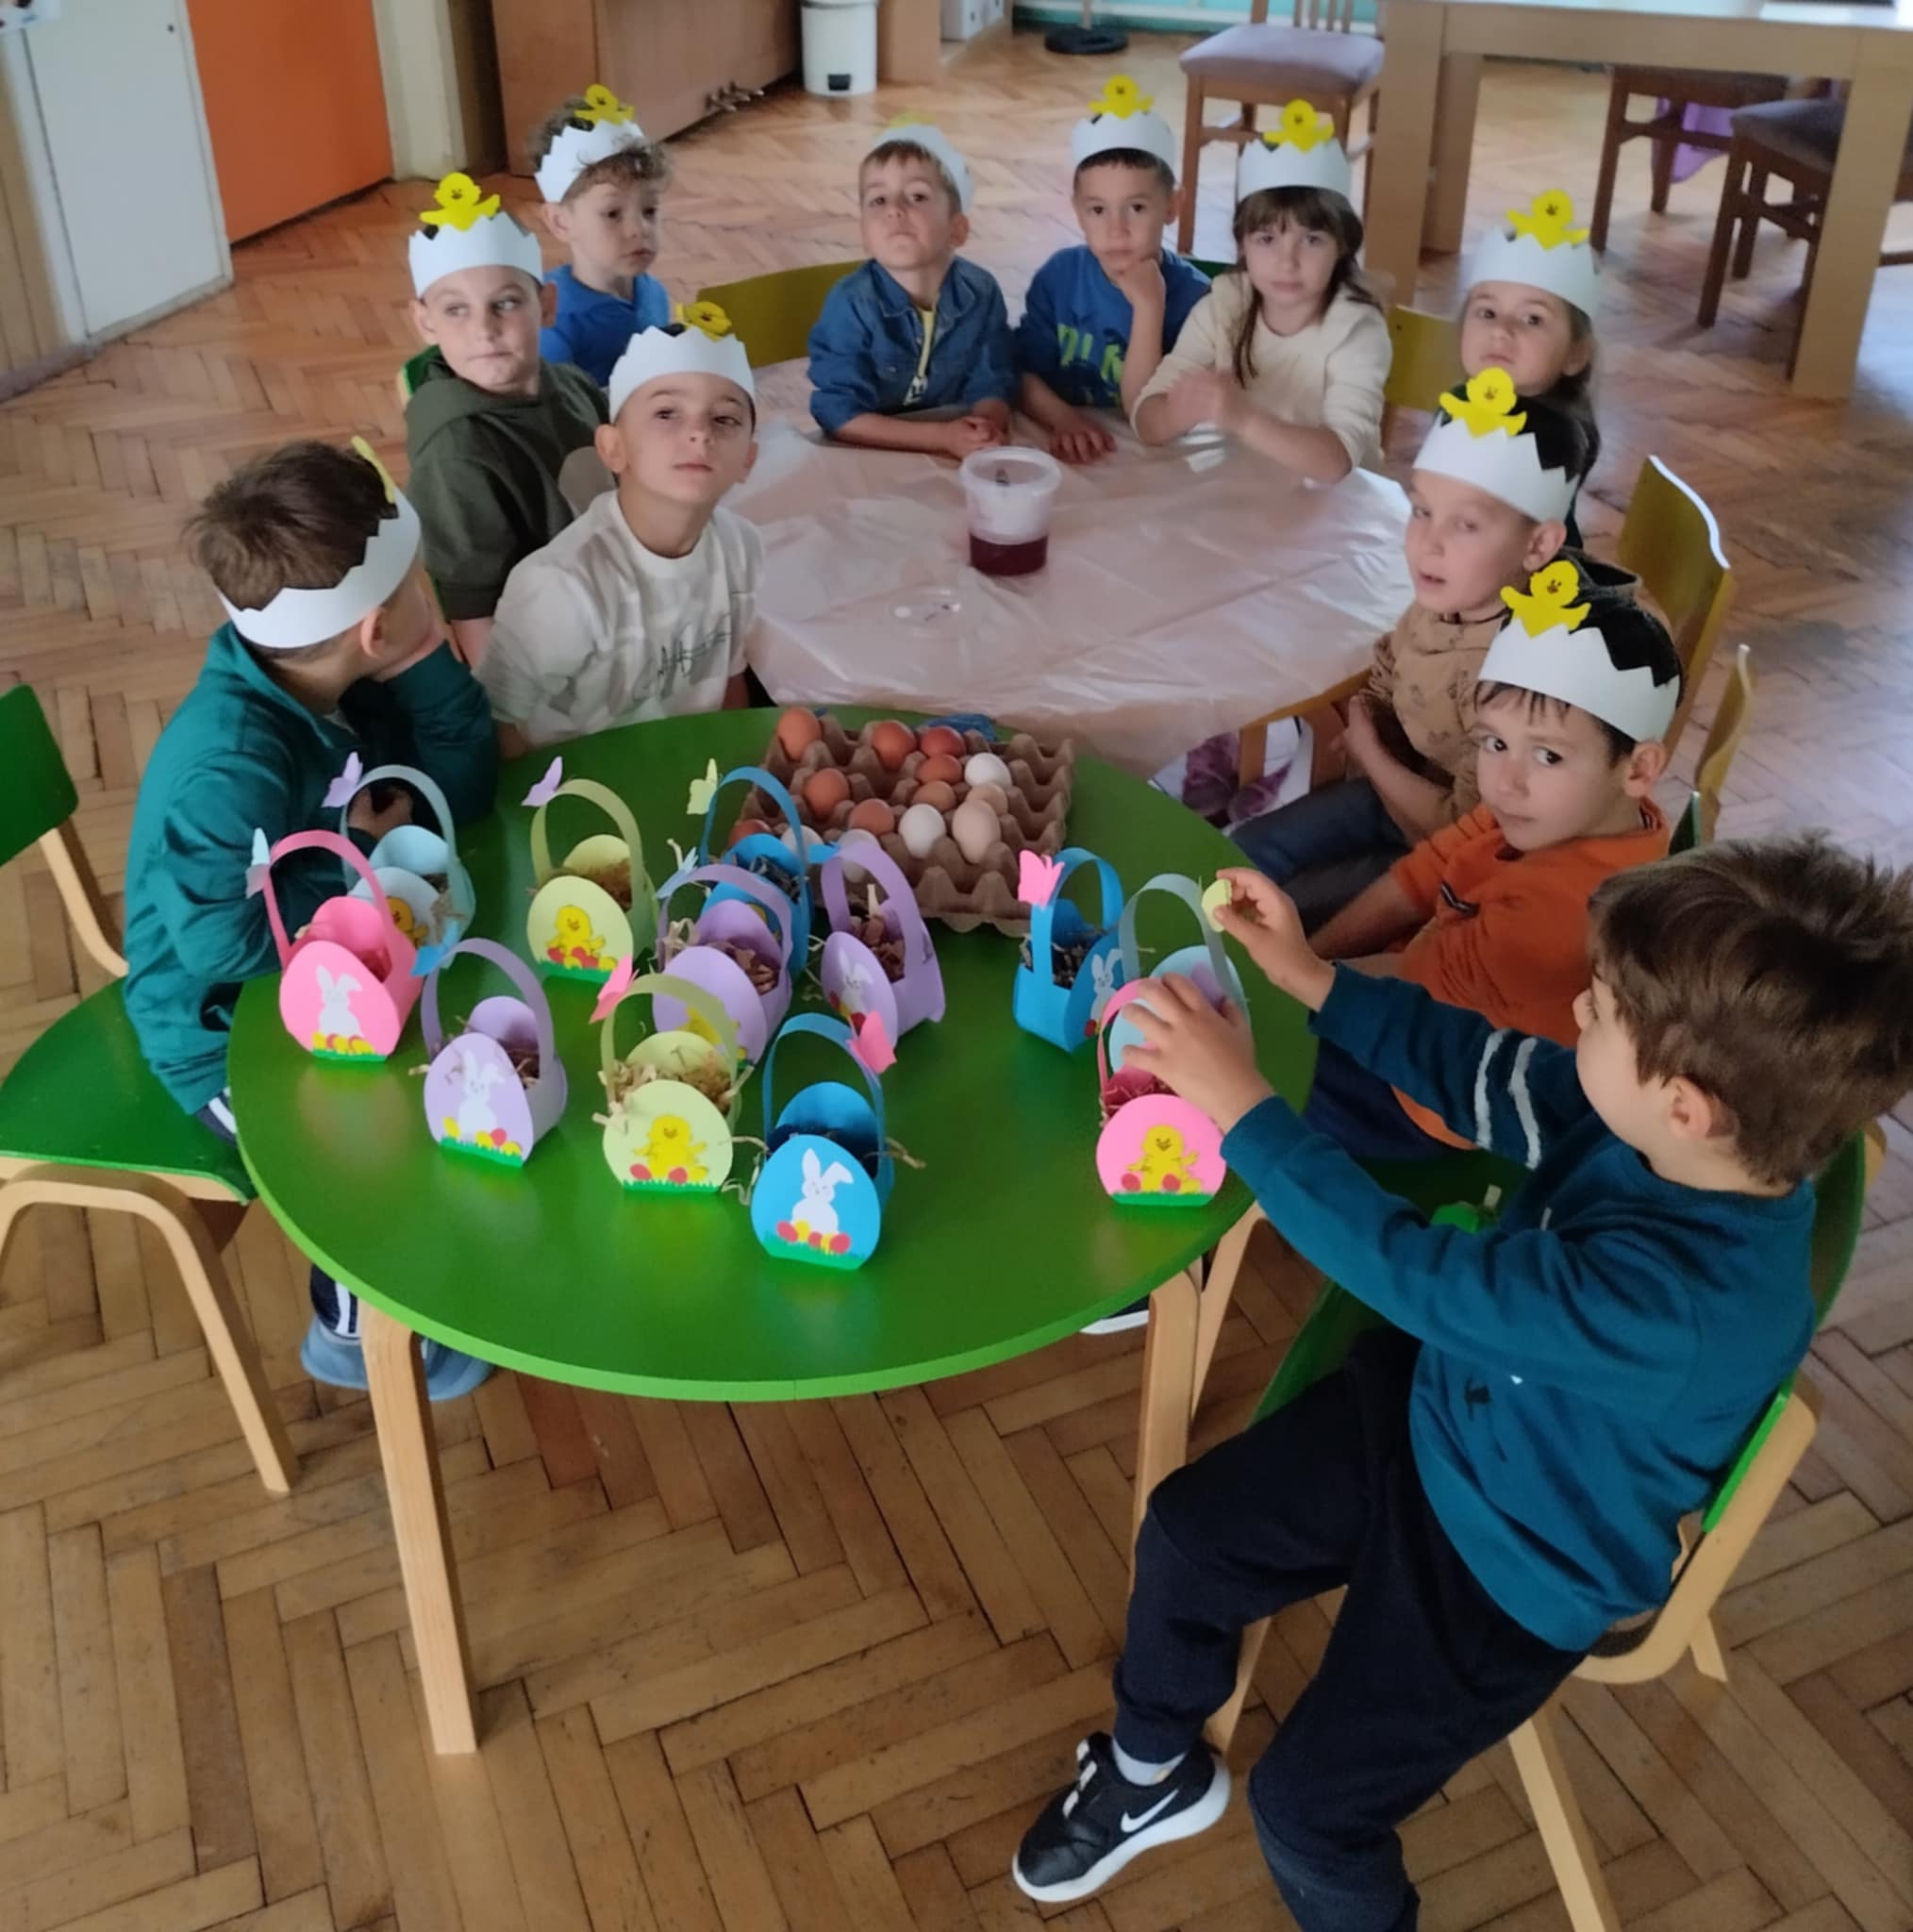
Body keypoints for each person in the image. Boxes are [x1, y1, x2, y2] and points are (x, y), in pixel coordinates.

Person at [1013, 834, 1913, 1926]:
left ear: (1685, 1103)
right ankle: (1151, 1767)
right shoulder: (1658, 1129)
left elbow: (1418, 1273)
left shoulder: (1678, 1309)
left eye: (1601, 1007)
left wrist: (1244, 1110)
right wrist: (1315, 979)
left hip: (1514, 1572)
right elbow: (1485, 1069)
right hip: (1449, 1412)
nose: (1575, 1008)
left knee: (1307, 1814)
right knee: (1191, 1534)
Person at [123, 439, 496, 1399]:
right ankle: (349, 1329)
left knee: (461, 1058)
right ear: (373, 624)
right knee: (366, 1141)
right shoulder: (230, 762)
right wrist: (351, 856)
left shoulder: (342, 680)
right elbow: (220, 943)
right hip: (218, 1030)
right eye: (421, 581)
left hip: (343, 965)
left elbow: (457, 793)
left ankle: (430, 1260)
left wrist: (423, 662)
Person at [1303, 571, 1680, 1159]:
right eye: (1494, 743)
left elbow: (1413, 993)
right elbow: (1420, 876)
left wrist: (1284, 978)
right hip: (1408, 1000)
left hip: (1425, 1102)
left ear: (1638, 768)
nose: (1505, 782)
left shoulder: (1569, 911)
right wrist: (1310, 954)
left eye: (1548, 755)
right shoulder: (1546, 813)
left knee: (1233, 1081)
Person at [1223, 374, 1596, 919]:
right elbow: (1391, 661)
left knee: (1286, 912)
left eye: (1465, 524)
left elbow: (1465, 828)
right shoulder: (1452, 595)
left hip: (1459, 862)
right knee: (1244, 853)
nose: (1428, 542)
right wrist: (1371, 717)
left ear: (1538, 544)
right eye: (1422, 510)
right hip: (1394, 796)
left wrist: (1369, 750)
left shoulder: (1518, 675)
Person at [482, 309, 759, 753]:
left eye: (724, 419)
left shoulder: (742, 548)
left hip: (687, 769)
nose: (699, 433)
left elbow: (729, 677)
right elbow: (498, 724)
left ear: (748, 459)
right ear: (613, 448)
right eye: (667, 413)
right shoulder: (561, 587)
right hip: (573, 781)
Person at [405, 170, 606, 665]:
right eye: (456, 310)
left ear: (547, 305)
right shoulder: (457, 455)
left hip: (610, 596)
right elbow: (475, 611)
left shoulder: (571, 384)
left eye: (506, 303)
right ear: (425, 322)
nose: (485, 329)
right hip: (556, 655)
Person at [1132, 101, 1390, 484]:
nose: (1288, 262)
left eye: (1312, 240)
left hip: (1342, 504)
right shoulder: (1224, 306)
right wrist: (1177, 412)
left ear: (1342, 246)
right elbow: (1146, 418)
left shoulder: (1357, 329)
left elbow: (1336, 461)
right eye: (1267, 239)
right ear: (1242, 246)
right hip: (1242, 488)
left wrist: (1242, 417)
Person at [1016, 76, 1210, 463]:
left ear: (1173, 206)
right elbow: (1018, 374)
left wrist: (1150, 307)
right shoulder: (1059, 278)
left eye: (1136, 208)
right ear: (1077, 210)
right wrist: (1064, 419)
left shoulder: (1198, 302)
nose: (1116, 230)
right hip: (1070, 447)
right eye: (1098, 210)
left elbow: (1147, 415)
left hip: (1151, 459)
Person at [807, 120, 1017, 456]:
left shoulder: (981, 291)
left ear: (957, 229)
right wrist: (942, 438)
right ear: (864, 236)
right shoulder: (851, 305)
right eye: (878, 200)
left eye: (917, 196)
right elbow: (840, 415)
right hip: (872, 455)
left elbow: (992, 378)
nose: (894, 209)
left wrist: (986, 427)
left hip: (953, 453)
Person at [1458, 188, 1603, 548]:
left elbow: (1498, 544)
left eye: (1532, 319)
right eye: (1487, 312)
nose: (1501, 330)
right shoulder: (1459, 402)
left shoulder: (1558, 437)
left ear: (1575, 353)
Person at [532, 82, 674, 386]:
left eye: (649, 210)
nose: (638, 229)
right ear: (560, 222)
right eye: (612, 214)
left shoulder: (654, 294)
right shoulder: (551, 322)